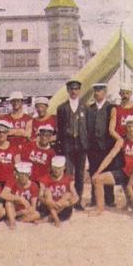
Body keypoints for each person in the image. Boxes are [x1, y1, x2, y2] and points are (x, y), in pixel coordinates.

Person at [90, 115, 133, 216]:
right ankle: (99, 209)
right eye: (128, 126)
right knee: (98, 179)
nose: (130, 128)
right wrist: (97, 172)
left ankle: (132, 201)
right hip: (125, 173)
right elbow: (110, 156)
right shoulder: (122, 141)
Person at [56, 79, 89, 208]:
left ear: (79, 91)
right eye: (71, 89)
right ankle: (68, 200)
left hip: (81, 145)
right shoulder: (62, 108)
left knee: (80, 174)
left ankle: (78, 201)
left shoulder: (85, 107)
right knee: (68, 174)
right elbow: (59, 128)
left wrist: (87, 144)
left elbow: (88, 128)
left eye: (76, 89)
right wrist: (60, 146)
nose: (74, 91)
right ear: (68, 90)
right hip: (67, 145)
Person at [86, 82, 117, 207]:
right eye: (95, 91)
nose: (97, 93)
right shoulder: (90, 108)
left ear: (105, 92)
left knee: (107, 171)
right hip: (93, 147)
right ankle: (95, 199)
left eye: (99, 90)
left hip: (107, 146)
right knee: (93, 171)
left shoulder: (111, 107)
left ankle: (109, 199)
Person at [38, 155, 79, 226]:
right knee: (47, 191)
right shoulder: (45, 178)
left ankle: (49, 218)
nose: (56, 170)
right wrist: (49, 202)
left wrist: (67, 203)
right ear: (51, 167)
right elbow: (40, 196)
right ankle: (56, 219)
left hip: (63, 210)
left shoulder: (69, 179)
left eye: (59, 168)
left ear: (64, 167)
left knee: (68, 194)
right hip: (48, 208)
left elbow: (76, 196)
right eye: (55, 168)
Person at [0, 162, 40, 228]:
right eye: (21, 174)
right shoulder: (12, 181)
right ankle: (12, 223)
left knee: (37, 214)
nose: (23, 177)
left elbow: (33, 207)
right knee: (8, 202)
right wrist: (20, 198)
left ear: (29, 174)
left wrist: (20, 213)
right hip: (12, 208)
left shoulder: (33, 185)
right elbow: (3, 194)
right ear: (17, 174)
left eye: (25, 174)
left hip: (24, 211)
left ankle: (19, 220)